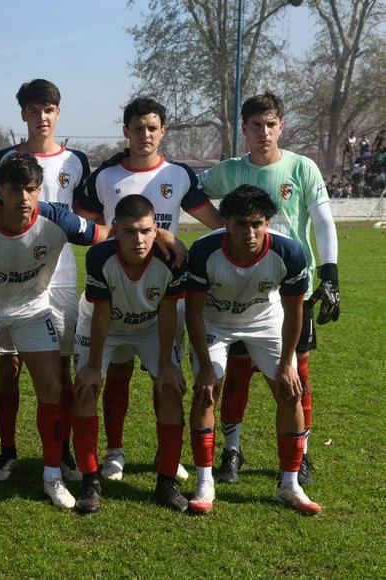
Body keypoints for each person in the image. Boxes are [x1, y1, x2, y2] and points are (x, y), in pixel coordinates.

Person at [0, 151, 113, 513]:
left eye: (32, 189)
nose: (25, 198)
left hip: (31, 312)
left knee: (50, 387)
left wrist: (154, 234)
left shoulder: (57, 219)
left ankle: (52, 476)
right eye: (16, 190)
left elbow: (104, 234)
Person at [198, 92, 339, 487]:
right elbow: (189, 192)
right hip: (242, 288)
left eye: (271, 124)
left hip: (291, 287)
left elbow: (323, 222)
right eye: (256, 125)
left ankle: (301, 456)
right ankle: (232, 451)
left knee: (297, 374)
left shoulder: (302, 167)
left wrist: (330, 273)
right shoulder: (227, 171)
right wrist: (217, 229)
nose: (264, 132)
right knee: (238, 372)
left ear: (282, 126)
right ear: (244, 128)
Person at [82, 97, 223, 482]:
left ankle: (167, 453)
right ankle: (114, 452)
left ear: (163, 131)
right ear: (125, 131)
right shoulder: (105, 177)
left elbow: (215, 221)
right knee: (119, 373)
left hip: (165, 292)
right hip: (116, 288)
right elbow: (81, 225)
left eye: (152, 127)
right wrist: (158, 232)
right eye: (137, 127)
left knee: (166, 375)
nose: (145, 134)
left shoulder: (178, 175)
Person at [0, 79, 93, 483]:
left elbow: (85, 219)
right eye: (33, 110)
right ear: (23, 114)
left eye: (49, 110)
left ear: (58, 113)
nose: (41, 118)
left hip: (59, 278)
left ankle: (62, 454)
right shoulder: (5, 158)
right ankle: (7, 452)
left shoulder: (76, 161)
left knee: (60, 369)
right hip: (11, 278)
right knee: (8, 368)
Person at [186, 184, 321, 515]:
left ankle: (289, 485)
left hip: (265, 321)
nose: (250, 232)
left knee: (290, 391)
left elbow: (294, 312)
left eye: (257, 223)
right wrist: (205, 366)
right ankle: (205, 482)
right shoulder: (203, 251)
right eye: (241, 223)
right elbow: (192, 312)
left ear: (268, 222)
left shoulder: (289, 252)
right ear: (226, 223)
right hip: (215, 322)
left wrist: (288, 363)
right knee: (206, 391)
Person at [73, 194, 188, 514]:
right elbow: (102, 315)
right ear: (115, 230)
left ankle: (166, 481)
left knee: (169, 389)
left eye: (146, 231)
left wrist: (166, 364)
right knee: (85, 389)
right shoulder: (99, 258)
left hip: (150, 325)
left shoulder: (171, 258)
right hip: (103, 325)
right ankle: (90, 480)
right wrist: (94, 366)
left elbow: (168, 313)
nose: (139, 239)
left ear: (156, 230)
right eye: (129, 232)